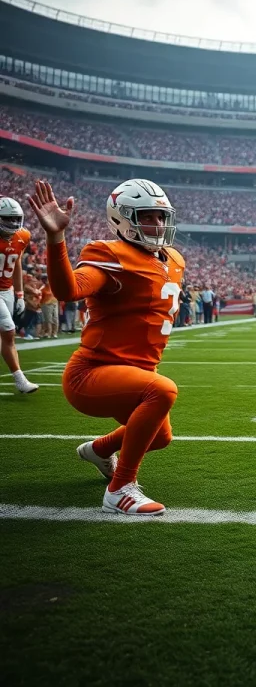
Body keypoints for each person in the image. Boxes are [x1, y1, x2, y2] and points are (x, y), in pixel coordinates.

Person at [28, 178, 184, 516]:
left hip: (137, 371)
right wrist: (56, 238)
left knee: (159, 438)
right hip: (92, 373)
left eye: (160, 216)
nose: (156, 224)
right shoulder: (110, 253)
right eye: (146, 216)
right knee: (163, 391)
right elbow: (69, 290)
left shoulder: (173, 259)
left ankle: (99, 451)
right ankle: (120, 489)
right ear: (122, 218)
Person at [0, 196, 38, 393]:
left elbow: (16, 264)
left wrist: (20, 294)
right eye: (8, 219)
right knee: (8, 330)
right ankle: (20, 379)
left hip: (7, 290)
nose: (13, 223)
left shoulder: (23, 235)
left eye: (16, 219)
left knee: (8, 338)